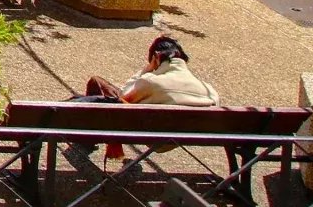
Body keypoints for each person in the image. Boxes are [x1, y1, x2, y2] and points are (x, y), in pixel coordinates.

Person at [77, 35, 218, 164]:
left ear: (156, 57)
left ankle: (87, 139)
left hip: (154, 136)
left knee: (96, 82)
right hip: (187, 136)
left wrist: (146, 70)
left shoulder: (152, 82)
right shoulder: (209, 90)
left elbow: (122, 96)